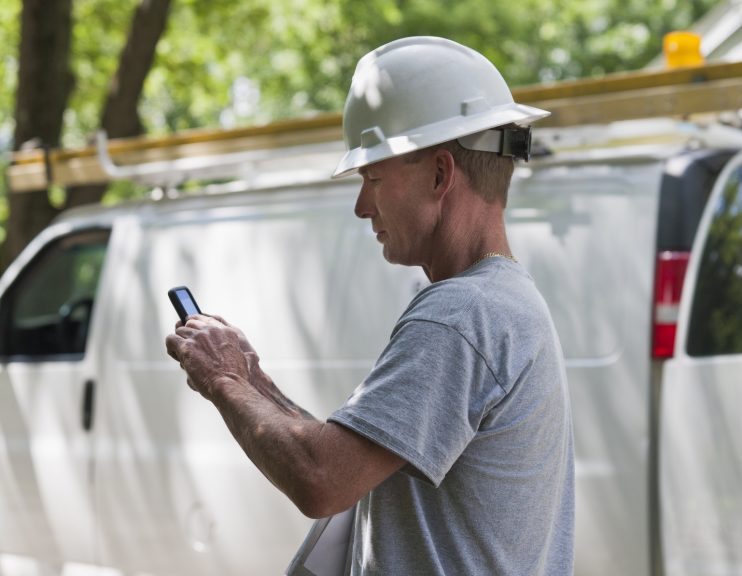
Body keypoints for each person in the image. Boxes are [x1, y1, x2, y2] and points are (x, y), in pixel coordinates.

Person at [165, 36, 575, 575]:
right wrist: (252, 379)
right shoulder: (505, 303)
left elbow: (322, 479)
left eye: (373, 177)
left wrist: (222, 380)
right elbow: (350, 456)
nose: (362, 207)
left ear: (440, 175)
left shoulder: (460, 317)